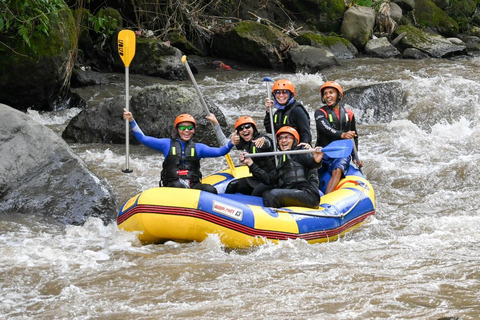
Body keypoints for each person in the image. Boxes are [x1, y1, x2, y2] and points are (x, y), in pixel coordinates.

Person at [123, 109, 237, 194]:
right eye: (182, 128)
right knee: (178, 186)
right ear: (177, 130)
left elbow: (221, 152)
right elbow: (143, 138)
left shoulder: (199, 148)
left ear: (194, 130)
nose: (186, 131)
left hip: (193, 186)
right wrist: (132, 121)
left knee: (210, 190)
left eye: (190, 128)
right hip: (173, 186)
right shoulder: (166, 144)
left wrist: (230, 142)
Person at [239, 126, 324, 208]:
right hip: (292, 191)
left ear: (294, 141)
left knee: (272, 195)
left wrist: (316, 160)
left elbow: (313, 163)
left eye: (287, 137)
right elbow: (268, 179)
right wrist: (250, 163)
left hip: (308, 194)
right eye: (281, 138)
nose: (283, 140)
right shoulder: (281, 159)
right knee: (264, 192)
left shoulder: (301, 151)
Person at [206, 113, 275, 196]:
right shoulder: (243, 143)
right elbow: (224, 142)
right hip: (257, 179)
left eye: (247, 127)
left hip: (270, 179)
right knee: (232, 186)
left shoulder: (261, 139)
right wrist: (216, 123)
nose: (244, 130)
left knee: (256, 192)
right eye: (241, 129)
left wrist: (264, 140)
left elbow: (268, 144)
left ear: (253, 128)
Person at [314, 81, 363, 194]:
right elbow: (324, 127)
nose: (328, 96)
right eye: (325, 93)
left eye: (331, 93)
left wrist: (355, 156)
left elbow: (354, 136)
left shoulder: (349, 114)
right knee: (309, 170)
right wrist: (342, 135)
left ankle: (327, 199)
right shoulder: (320, 113)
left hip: (341, 153)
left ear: (338, 95)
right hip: (323, 151)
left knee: (337, 170)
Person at [264, 79, 312, 145]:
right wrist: (268, 111)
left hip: (297, 149)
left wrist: (305, 144)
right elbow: (269, 129)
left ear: (290, 94)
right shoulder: (278, 113)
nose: (281, 95)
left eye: (284, 92)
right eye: (278, 92)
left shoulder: (298, 111)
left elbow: (306, 133)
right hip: (284, 147)